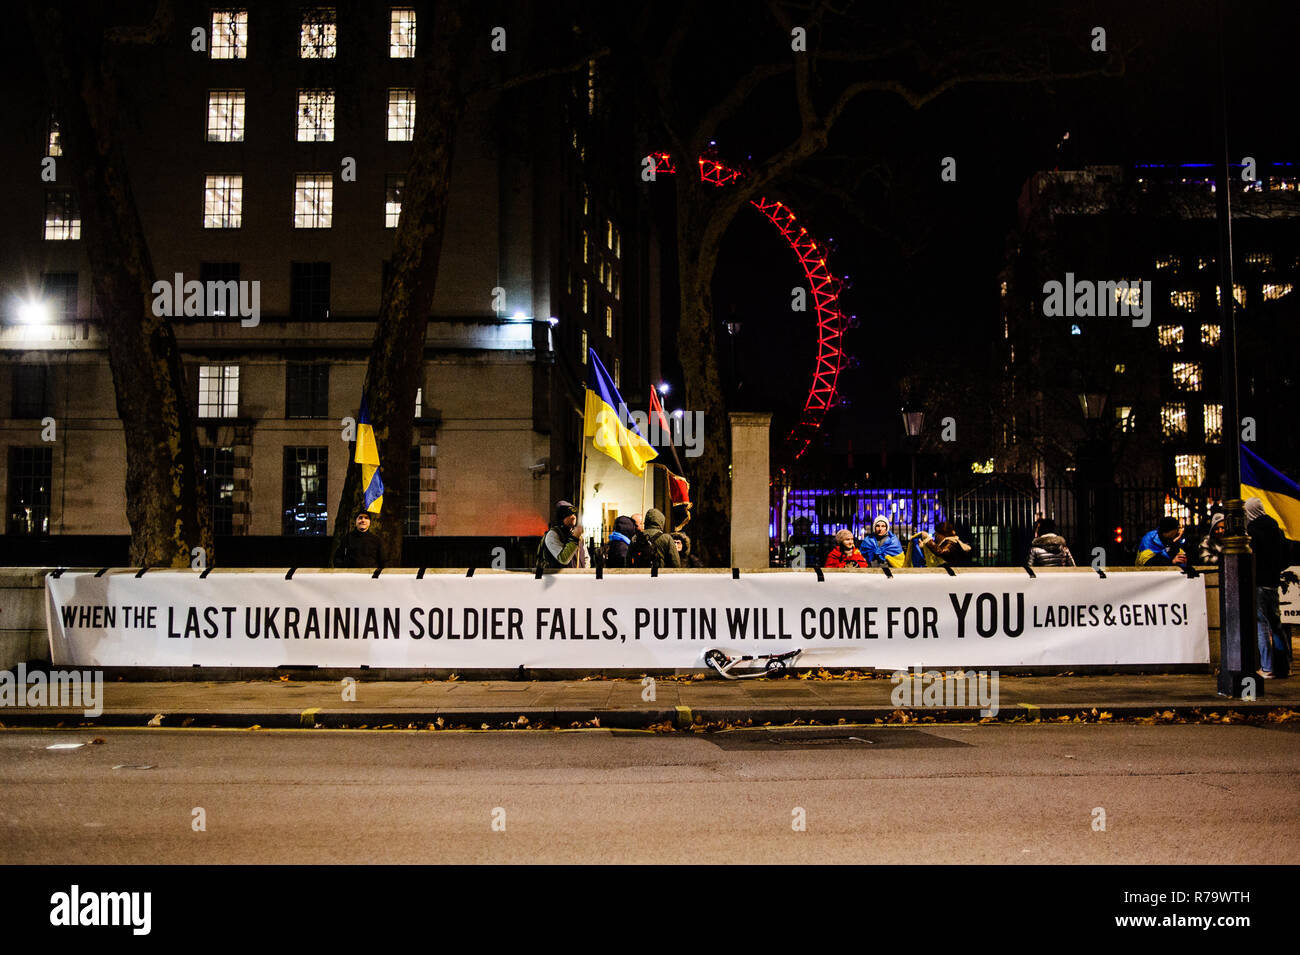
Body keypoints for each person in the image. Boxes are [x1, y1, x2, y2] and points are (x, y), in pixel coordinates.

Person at [1246, 497, 1290, 678]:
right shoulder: (1276, 529)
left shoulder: (1252, 531)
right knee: (1276, 625)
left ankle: (1267, 667)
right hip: (1273, 582)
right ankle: (1283, 666)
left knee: (1261, 625)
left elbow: (1250, 557)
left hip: (1258, 582)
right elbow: (1287, 554)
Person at [538, 500, 588, 568]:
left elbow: (586, 558)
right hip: (561, 578)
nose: (573, 517)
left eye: (574, 514)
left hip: (579, 577)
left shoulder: (578, 535)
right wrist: (574, 538)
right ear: (562, 517)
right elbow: (563, 559)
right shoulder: (553, 534)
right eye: (569, 514)